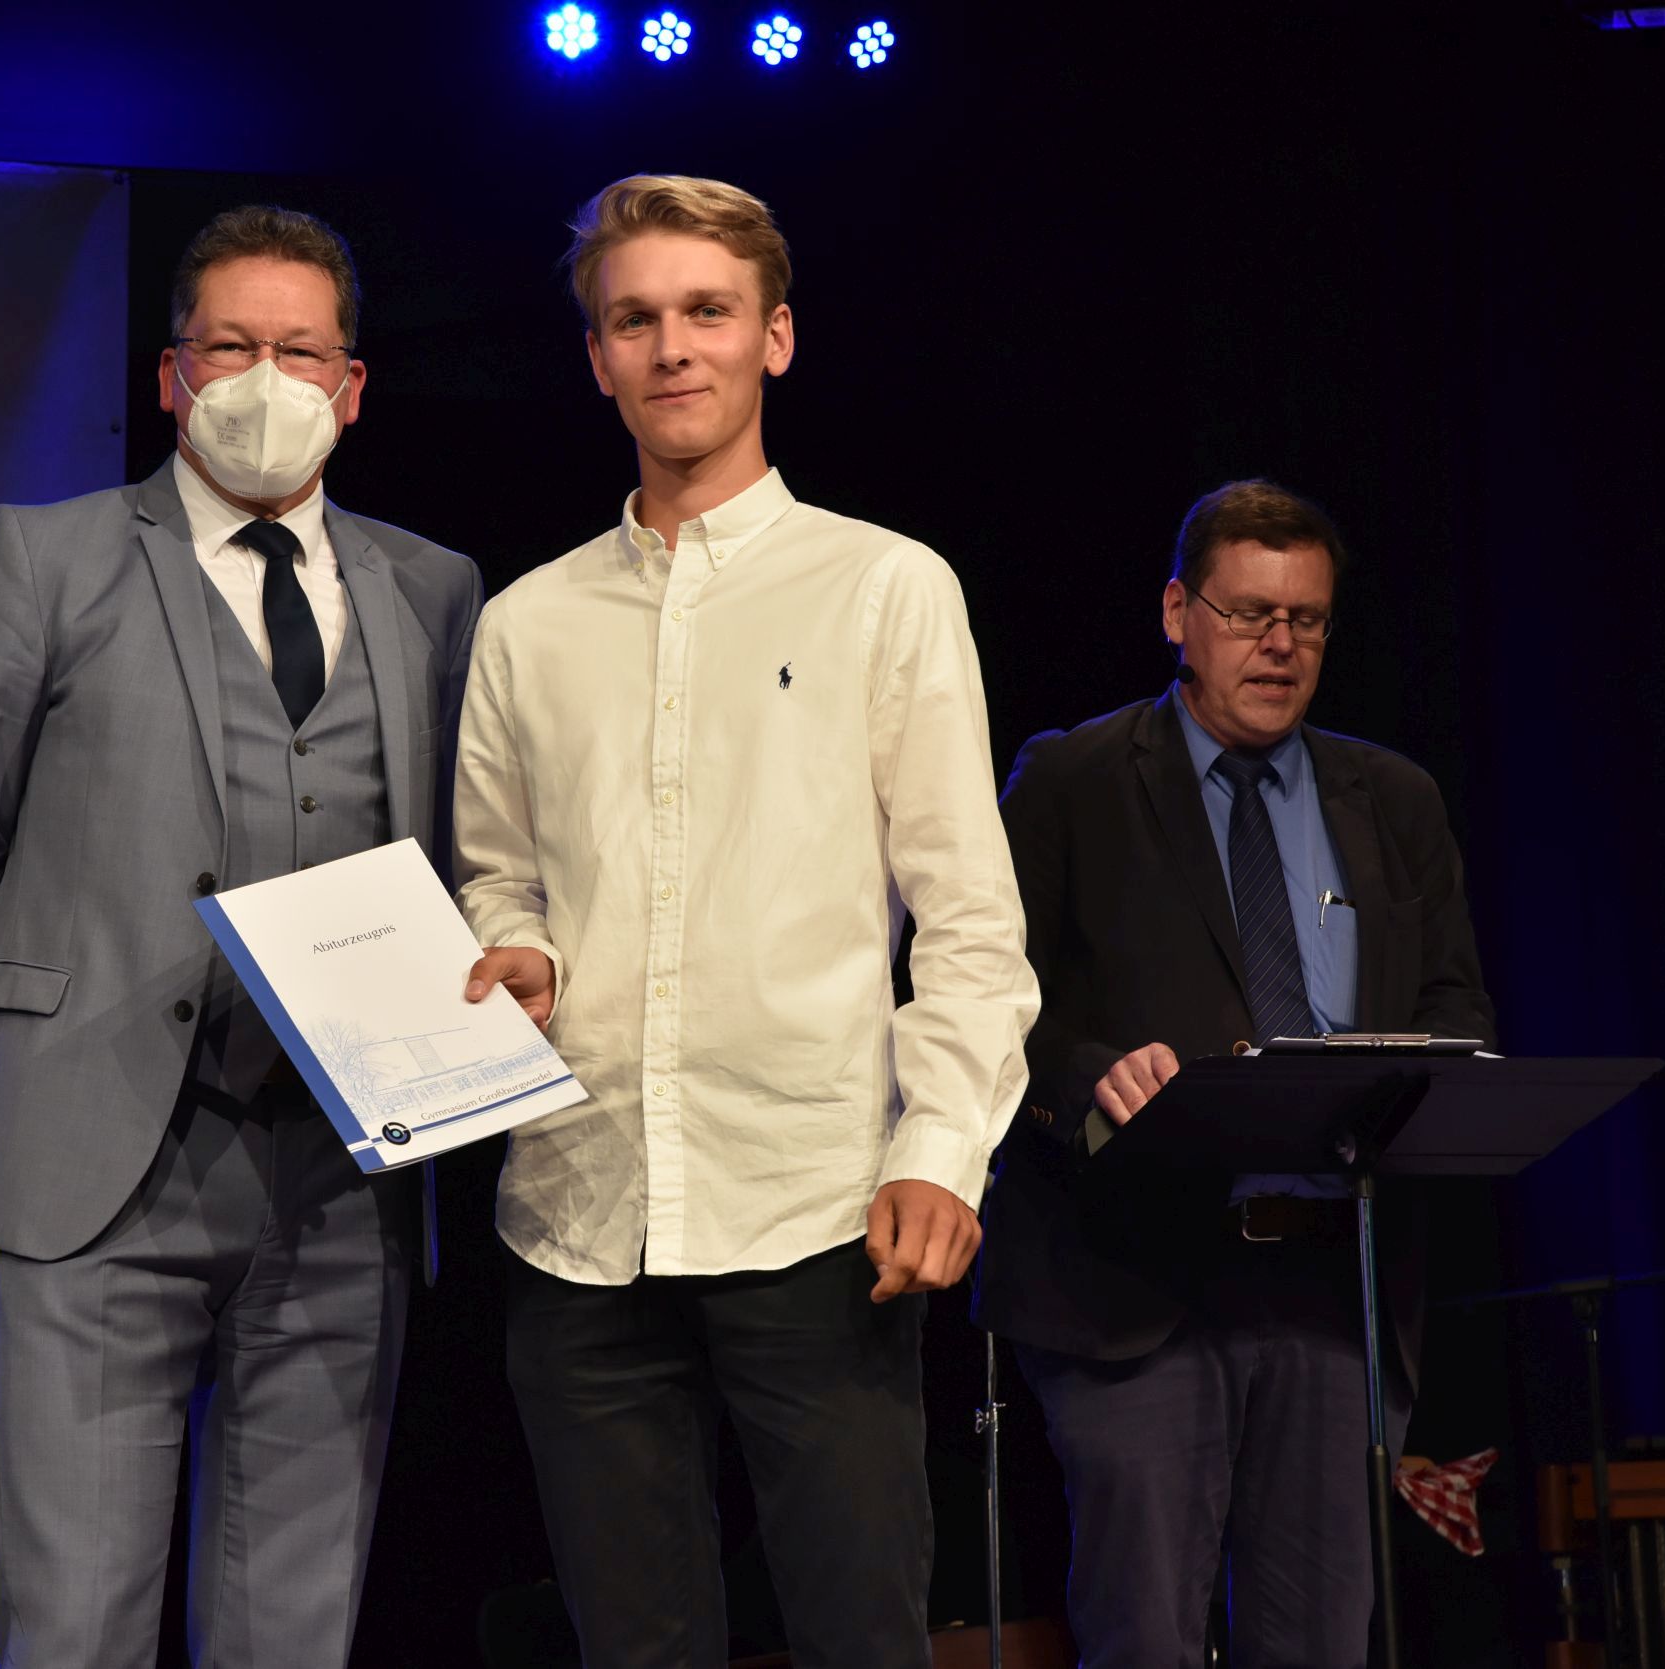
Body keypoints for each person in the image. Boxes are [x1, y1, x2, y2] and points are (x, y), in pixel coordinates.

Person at [0, 205, 479, 1668]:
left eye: (299, 351)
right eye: (229, 346)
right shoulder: (46, 558)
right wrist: (65, 1040)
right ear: (170, 375)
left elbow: (462, 865)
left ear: (350, 386)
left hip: (342, 1179)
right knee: (77, 1621)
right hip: (103, 1174)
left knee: (296, 1627)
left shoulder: (431, 588)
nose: (264, 379)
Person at [455, 174, 1040, 1669]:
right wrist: (518, 947)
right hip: (581, 1209)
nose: (672, 347)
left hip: (815, 1203)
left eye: (707, 311)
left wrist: (941, 1148)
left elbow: (969, 915)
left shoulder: (884, 586)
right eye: (633, 319)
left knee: (858, 1637)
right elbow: (498, 875)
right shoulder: (526, 622)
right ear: (596, 356)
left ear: (774, 337)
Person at [975, 479, 1497, 1668]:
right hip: (1134, 1282)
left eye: (1305, 619)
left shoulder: (1393, 798)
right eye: (1249, 613)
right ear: (1178, 613)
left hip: (1335, 1287)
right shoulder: (1073, 780)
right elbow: (987, 993)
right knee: (1145, 1637)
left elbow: (1454, 1002)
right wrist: (1094, 1074)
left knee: (1317, 1640)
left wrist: (1414, 1075)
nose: (1278, 644)